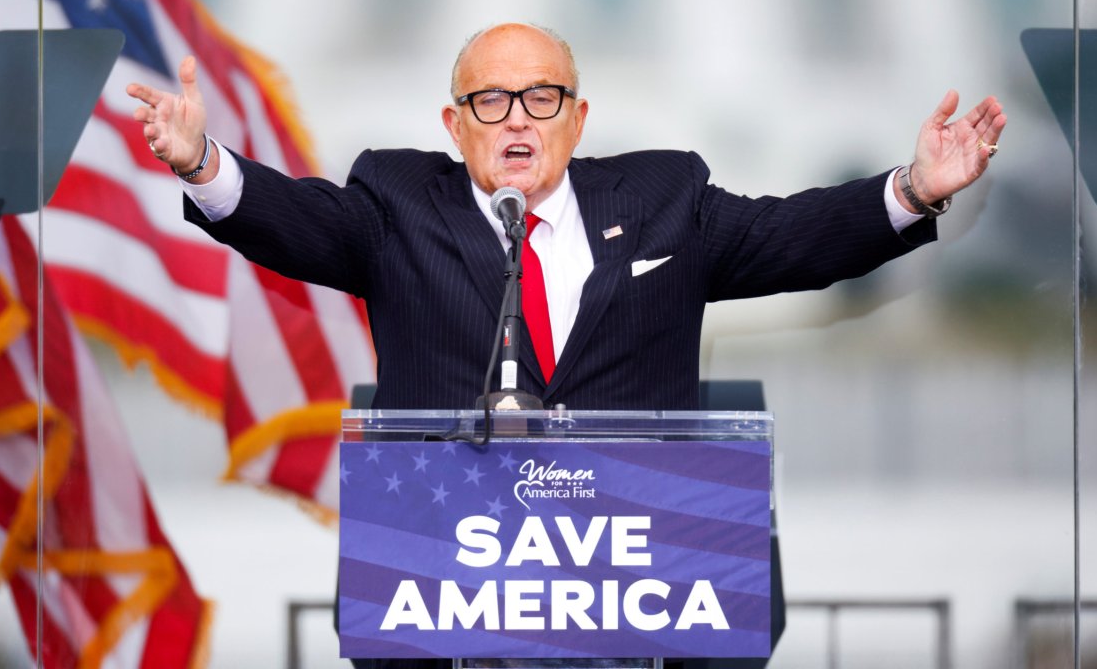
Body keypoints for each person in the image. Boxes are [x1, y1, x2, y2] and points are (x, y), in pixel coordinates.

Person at [126, 23, 1005, 411]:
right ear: (454, 125)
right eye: (492, 99)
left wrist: (915, 189)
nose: (517, 117)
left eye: (542, 98)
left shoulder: (667, 200)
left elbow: (793, 239)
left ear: (579, 121)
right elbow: (293, 219)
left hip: (626, 587)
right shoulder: (397, 204)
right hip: (450, 589)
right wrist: (204, 161)